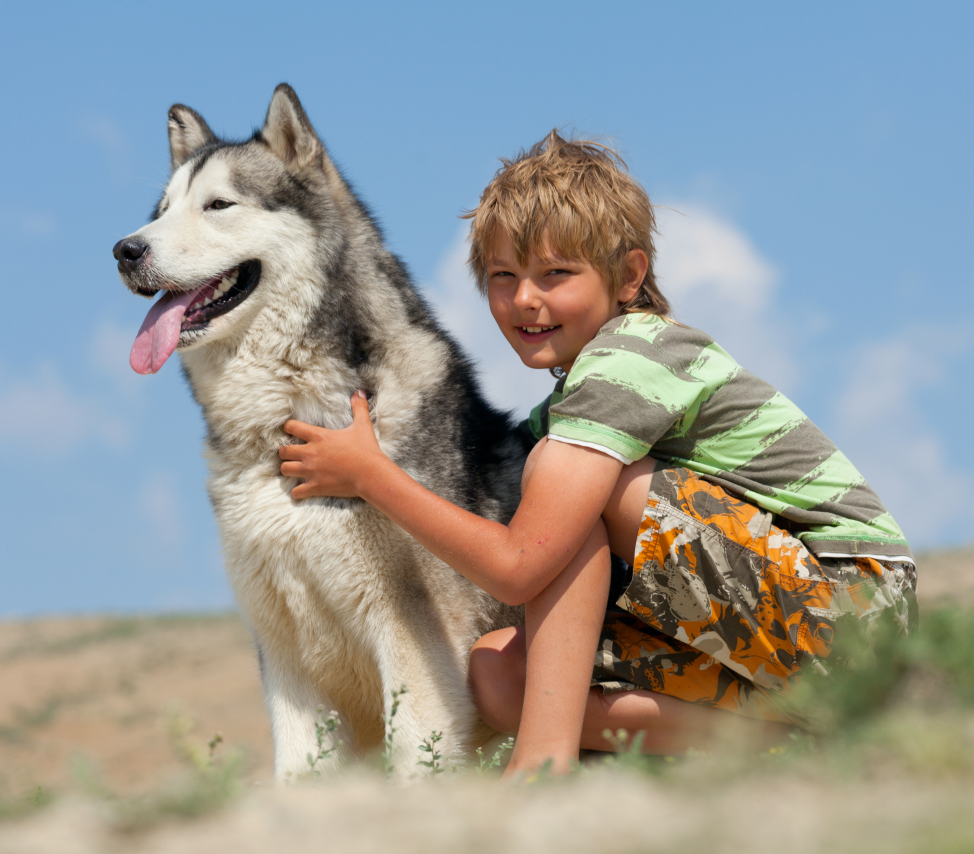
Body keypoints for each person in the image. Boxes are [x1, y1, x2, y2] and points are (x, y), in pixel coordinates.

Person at [277, 131, 917, 779]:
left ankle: (540, 768)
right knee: (502, 673)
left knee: (571, 488)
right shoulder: (574, 403)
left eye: (555, 274)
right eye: (503, 277)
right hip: (779, 640)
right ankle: (796, 742)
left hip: (851, 613)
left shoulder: (633, 360)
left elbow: (519, 567)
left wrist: (371, 476)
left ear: (630, 275)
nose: (525, 299)